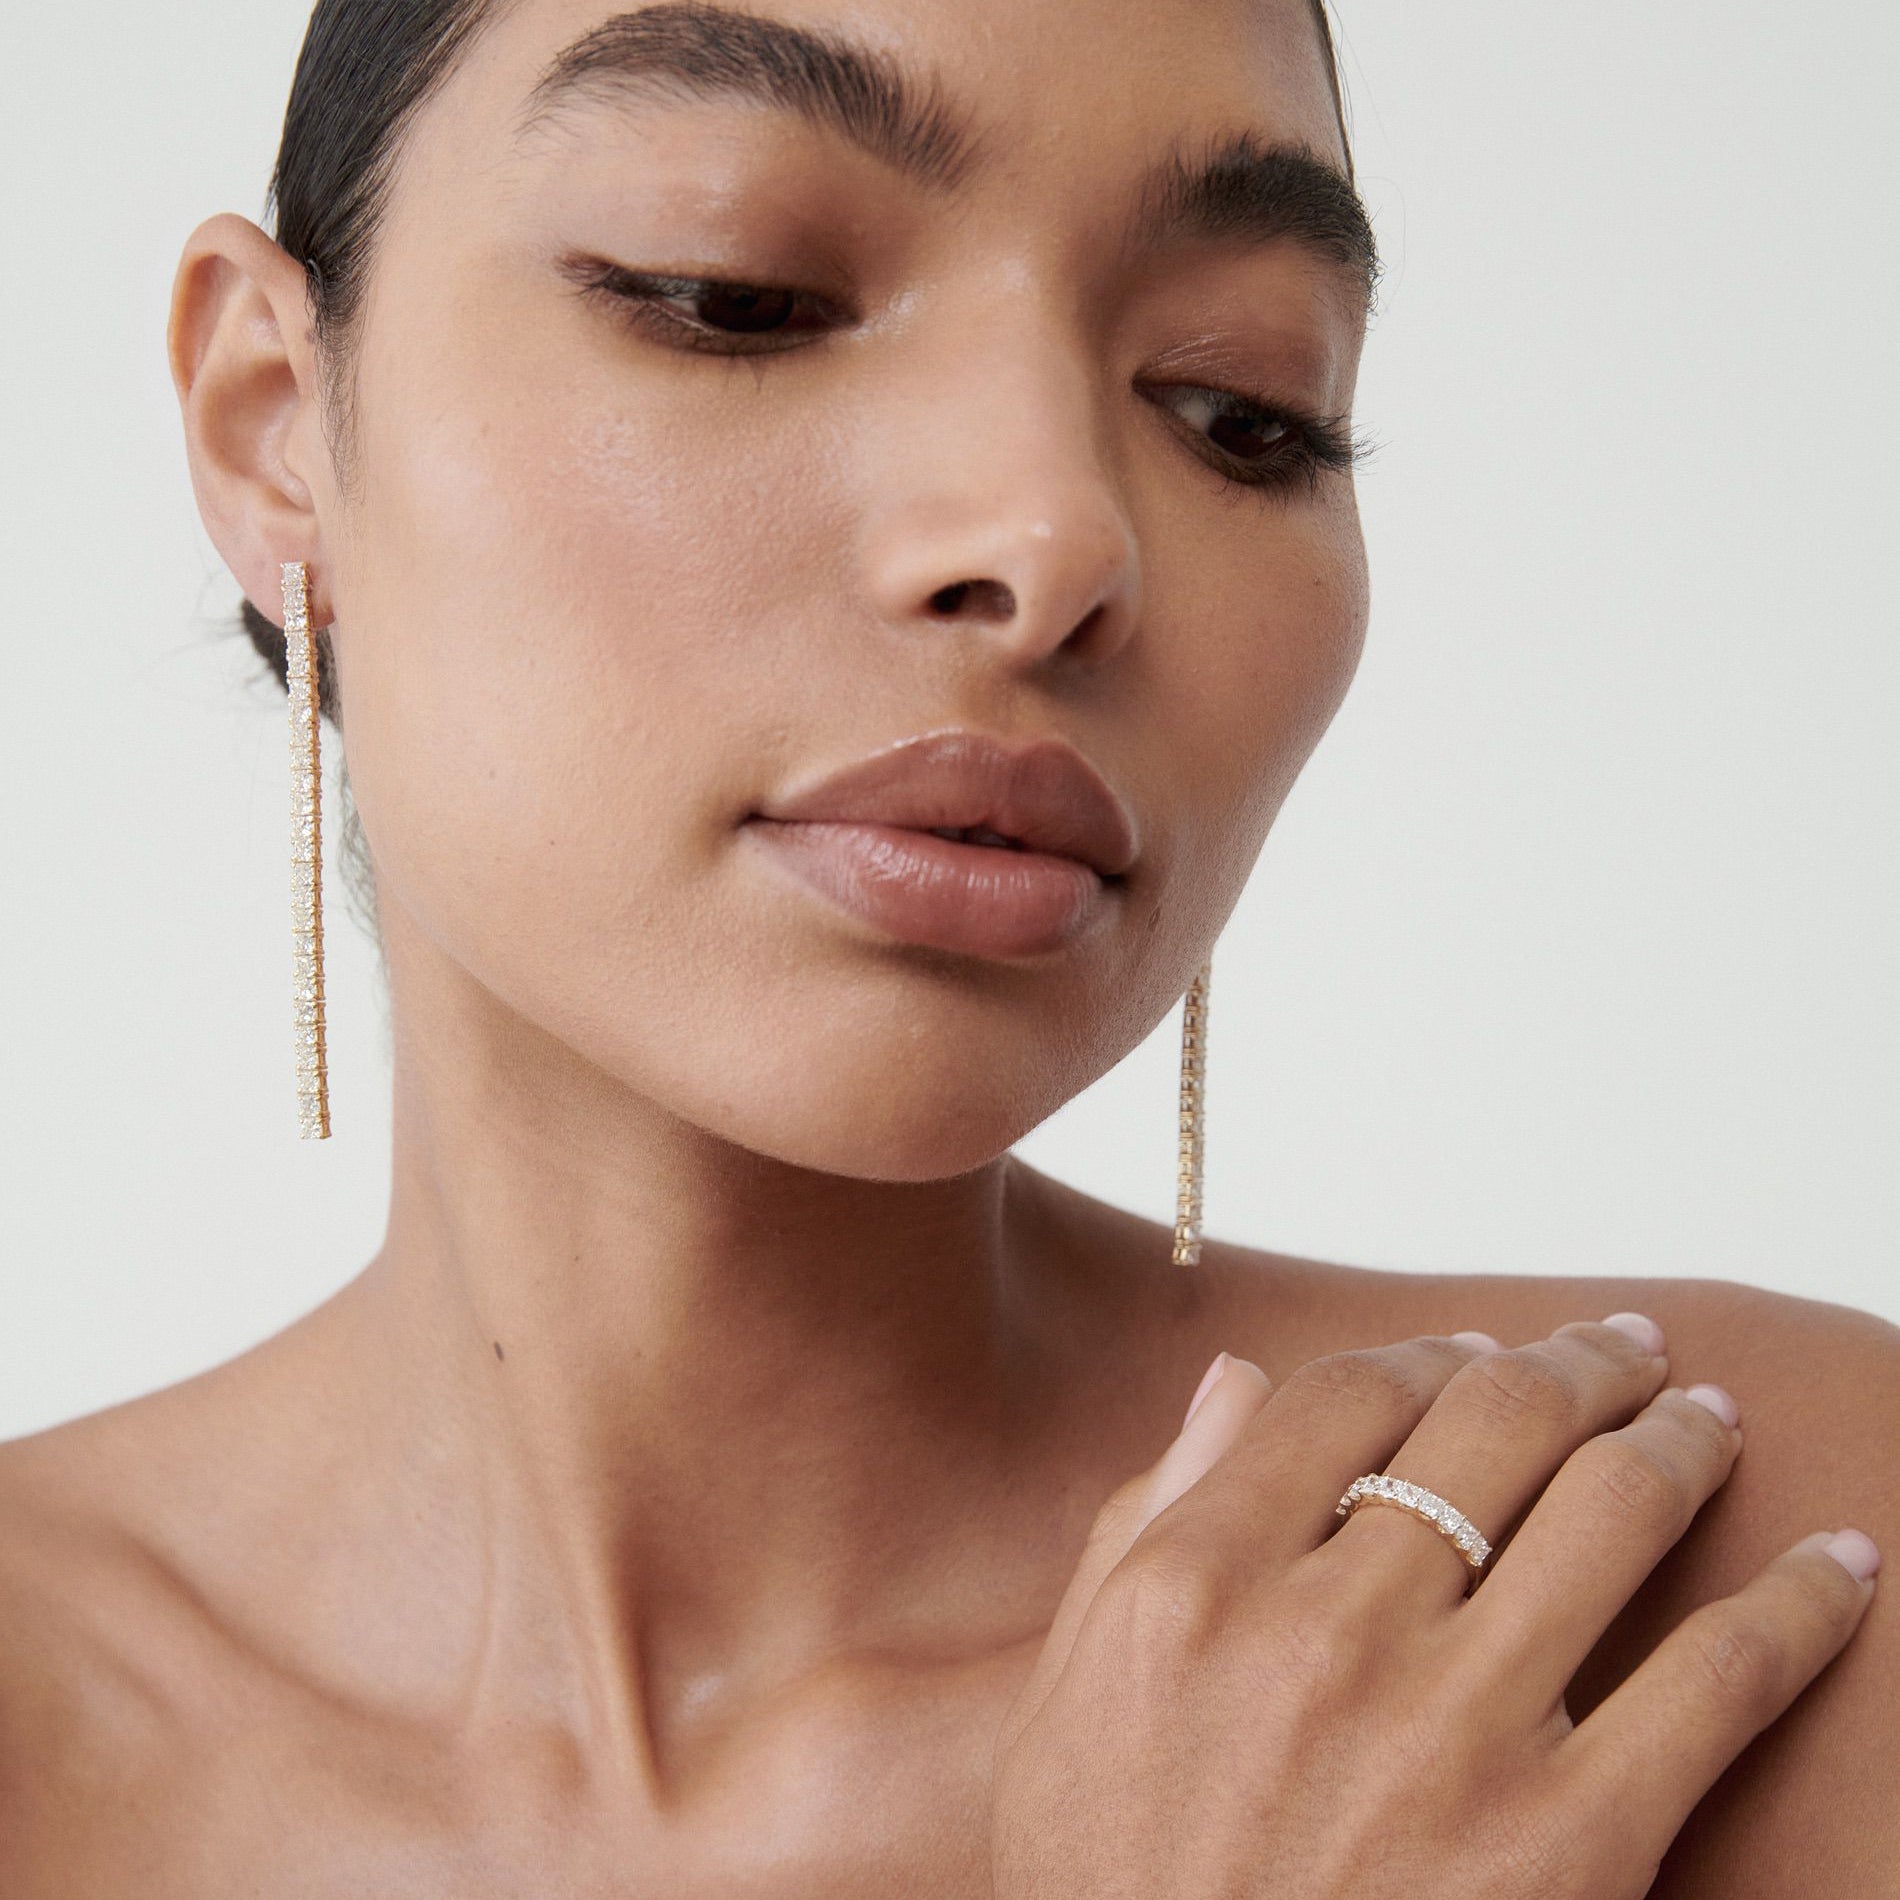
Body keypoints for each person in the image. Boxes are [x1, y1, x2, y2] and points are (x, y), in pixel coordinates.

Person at [0, 0, 1892, 1891]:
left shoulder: (1722, 1578)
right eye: (732, 294)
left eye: (1246, 409)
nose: (1061, 535)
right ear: (273, 432)